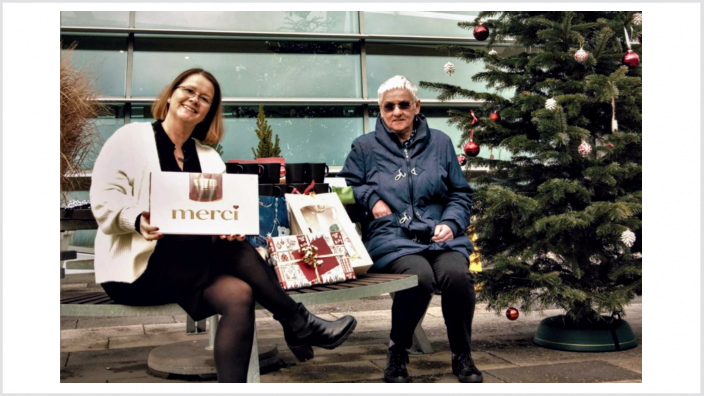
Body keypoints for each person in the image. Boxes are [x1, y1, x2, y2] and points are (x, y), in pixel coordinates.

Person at [90, 68, 356, 383]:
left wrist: (231, 226)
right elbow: (105, 197)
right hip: (138, 272)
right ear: (172, 93)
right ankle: (297, 322)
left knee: (239, 293)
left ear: (209, 112)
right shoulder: (131, 139)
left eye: (204, 98)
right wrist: (135, 220)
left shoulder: (208, 158)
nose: (194, 100)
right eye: (188, 91)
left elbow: (219, 213)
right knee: (231, 252)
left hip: (188, 268)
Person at [338, 76, 482, 383]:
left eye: (404, 104)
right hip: (392, 237)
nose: (397, 111)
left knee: (457, 276)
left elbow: (460, 193)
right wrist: (370, 197)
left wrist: (451, 223)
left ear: (416, 106)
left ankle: (462, 354)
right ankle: (398, 352)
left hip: (440, 236)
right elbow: (344, 187)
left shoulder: (440, 142)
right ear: (380, 109)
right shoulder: (364, 147)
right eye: (389, 106)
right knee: (418, 277)